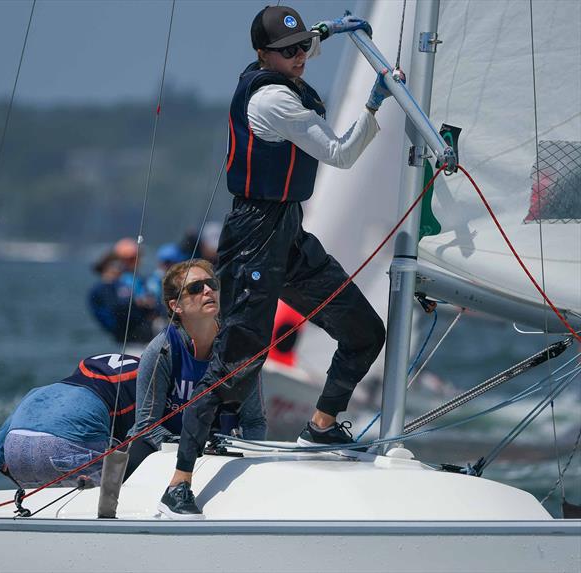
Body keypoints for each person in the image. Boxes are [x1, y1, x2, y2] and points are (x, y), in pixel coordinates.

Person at [158, 7, 389, 518]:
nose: (301, 57)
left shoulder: (287, 70)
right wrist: (376, 103)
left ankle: (322, 426)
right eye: (288, 51)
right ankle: (180, 479)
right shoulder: (272, 98)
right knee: (237, 365)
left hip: (288, 233)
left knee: (365, 332)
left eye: (304, 46)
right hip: (253, 237)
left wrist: (333, 31)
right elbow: (341, 154)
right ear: (262, 55)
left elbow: (308, 48)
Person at [130, 259, 266, 502]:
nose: (207, 291)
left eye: (211, 284)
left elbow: (254, 421)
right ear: (176, 306)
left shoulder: (240, 349)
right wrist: (189, 450)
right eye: (195, 288)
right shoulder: (162, 350)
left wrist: (249, 460)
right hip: (164, 453)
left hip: (223, 454)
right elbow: (146, 425)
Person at [0, 353, 138, 491]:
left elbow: (12, 423)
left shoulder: (49, 389)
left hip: (15, 448)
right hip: (65, 450)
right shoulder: (146, 380)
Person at [88, 250, 154, 343]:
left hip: (141, 334)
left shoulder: (120, 284)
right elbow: (115, 308)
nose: (121, 267)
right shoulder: (101, 289)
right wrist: (137, 302)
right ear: (106, 267)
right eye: (116, 265)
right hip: (127, 338)